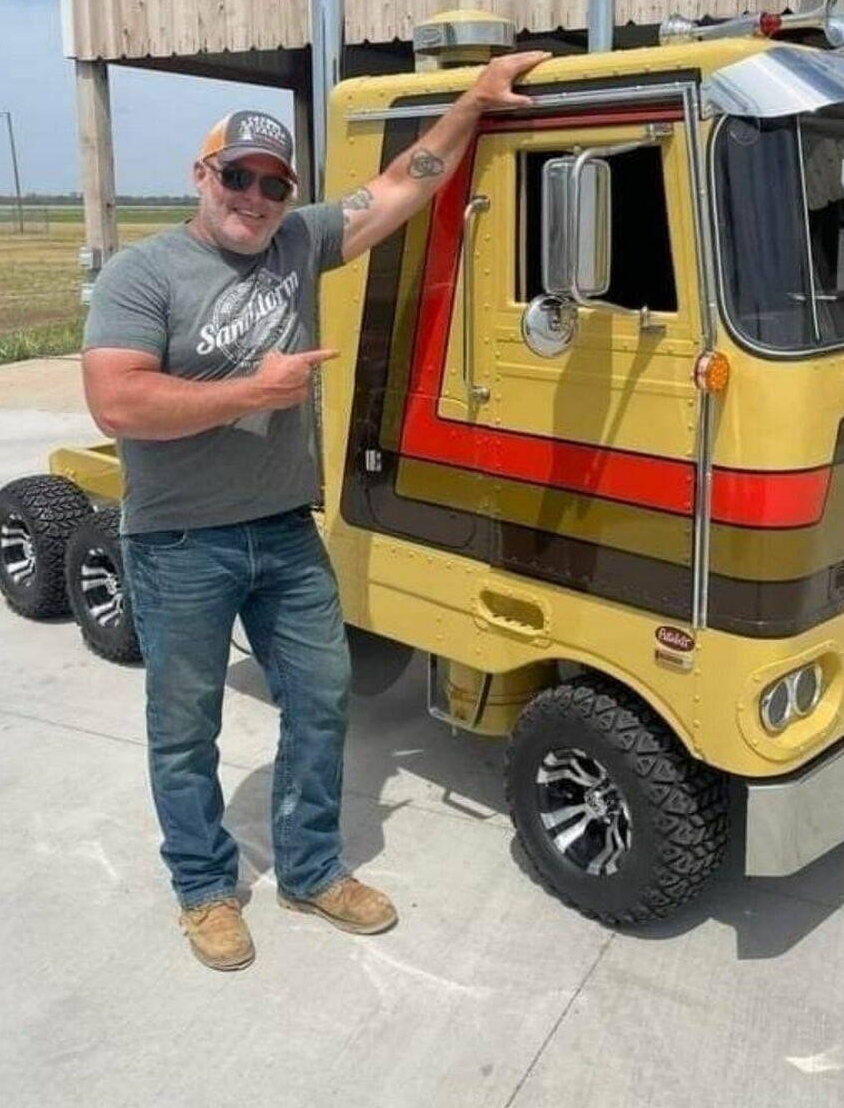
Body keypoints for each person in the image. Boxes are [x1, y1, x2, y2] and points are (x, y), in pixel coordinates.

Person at [82, 49, 549, 971]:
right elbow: (117, 402)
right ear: (203, 175)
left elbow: (400, 186)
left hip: (286, 530)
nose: (255, 197)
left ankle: (308, 869)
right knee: (185, 728)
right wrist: (253, 392)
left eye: (273, 183)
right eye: (238, 177)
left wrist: (470, 102)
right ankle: (204, 887)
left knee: (323, 697)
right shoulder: (146, 274)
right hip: (180, 542)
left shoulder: (297, 241)